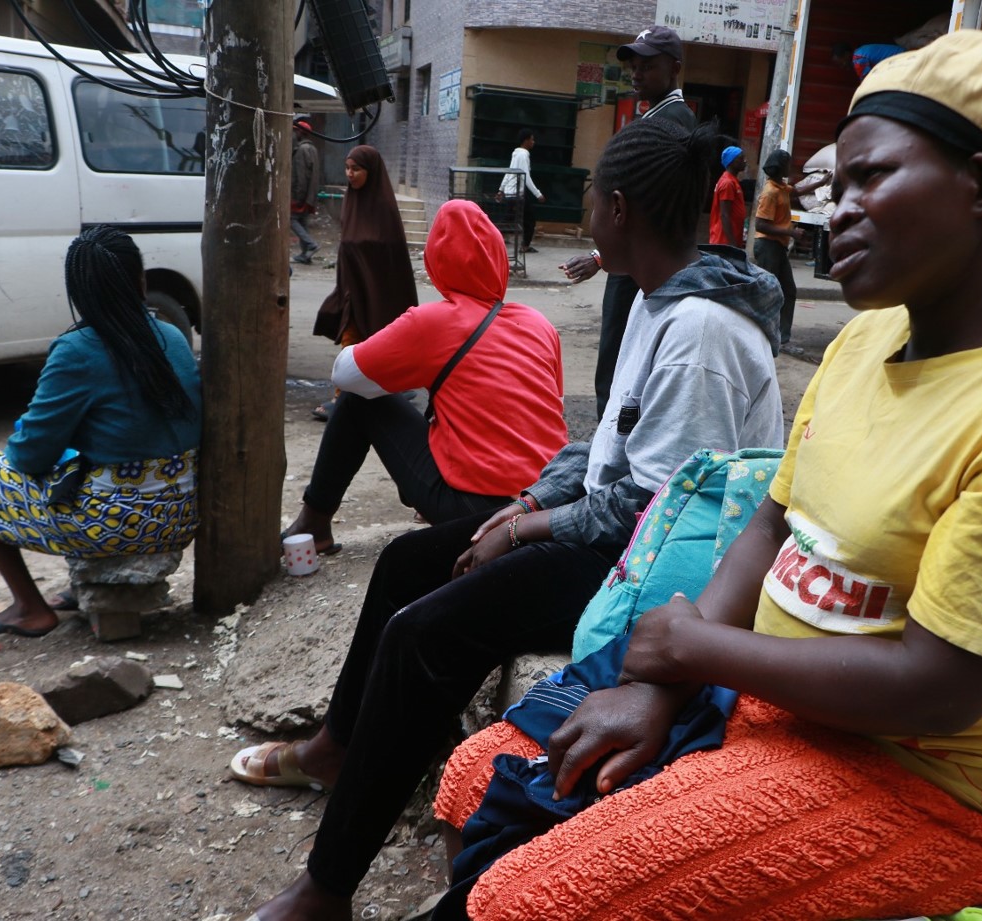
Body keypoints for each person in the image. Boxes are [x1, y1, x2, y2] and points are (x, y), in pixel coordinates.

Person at [433, 31, 982, 921]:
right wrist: (660, 686)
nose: (834, 211)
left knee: (524, 900)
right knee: (472, 781)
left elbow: (941, 688)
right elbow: (773, 521)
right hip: (770, 709)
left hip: (919, 780)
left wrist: (692, 650)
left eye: (870, 177)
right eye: (832, 186)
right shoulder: (864, 342)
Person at [231, 117, 784, 921]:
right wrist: (526, 504)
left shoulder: (700, 331)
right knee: (407, 562)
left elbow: (653, 510)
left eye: (592, 198)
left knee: (429, 632)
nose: (588, 213)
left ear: (618, 209)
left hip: (660, 573)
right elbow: (602, 443)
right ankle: (339, 745)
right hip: (618, 533)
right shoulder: (657, 300)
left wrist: (525, 532)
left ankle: (327, 887)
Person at [0, 226, 202, 639]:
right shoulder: (173, 336)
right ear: (142, 281)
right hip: (179, 514)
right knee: (82, 469)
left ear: (79, 293)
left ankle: (29, 608)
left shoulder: (78, 349)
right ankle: (78, 587)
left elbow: (30, 455)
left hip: (116, 522)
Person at [280, 199, 568, 552]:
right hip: (545, 506)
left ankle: (314, 522)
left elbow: (344, 373)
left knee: (359, 400)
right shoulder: (539, 324)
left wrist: (405, 362)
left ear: (435, 260)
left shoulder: (433, 321)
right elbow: (551, 407)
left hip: (478, 514)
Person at [557, 25, 698, 419]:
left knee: (620, 361)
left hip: (641, 264)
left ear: (674, 69)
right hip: (636, 259)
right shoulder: (659, 116)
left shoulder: (671, 123)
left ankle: (612, 447)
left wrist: (603, 257)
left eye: (647, 66)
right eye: (633, 66)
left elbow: (647, 207)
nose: (636, 74)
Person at [311, 145, 419, 420]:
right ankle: (343, 396)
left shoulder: (383, 207)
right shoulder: (351, 199)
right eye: (348, 168)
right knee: (350, 341)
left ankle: (356, 398)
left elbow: (389, 255)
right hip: (350, 289)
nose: (350, 174)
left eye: (356, 169)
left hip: (378, 292)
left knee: (371, 344)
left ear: (370, 172)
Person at [753, 148, 803, 349]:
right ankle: (761, 334)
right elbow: (760, 225)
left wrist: (822, 182)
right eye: (788, 164)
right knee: (770, 292)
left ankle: (782, 337)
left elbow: (797, 191)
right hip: (768, 246)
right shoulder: (770, 192)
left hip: (777, 247)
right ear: (780, 166)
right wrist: (791, 233)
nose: (790, 167)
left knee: (788, 290)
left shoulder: (781, 187)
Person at [498, 128, 545, 254]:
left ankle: (523, 245)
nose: (533, 142)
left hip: (511, 192)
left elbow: (509, 171)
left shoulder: (516, 154)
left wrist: (501, 189)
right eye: (532, 139)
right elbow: (526, 176)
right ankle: (523, 246)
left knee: (513, 219)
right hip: (517, 194)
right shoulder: (523, 155)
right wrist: (538, 193)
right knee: (527, 220)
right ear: (526, 140)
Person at [289, 116, 321, 265]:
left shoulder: (302, 150)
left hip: (301, 195)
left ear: (300, 133)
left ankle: (311, 244)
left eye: (295, 132)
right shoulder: (312, 148)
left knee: (291, 219)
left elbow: (301, 177)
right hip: (310, 194)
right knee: (303, 221)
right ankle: (305, 254)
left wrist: (297, 197)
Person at [709, 145, 748, 247]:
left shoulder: (732, 181)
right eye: (741, 158)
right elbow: (724, 215)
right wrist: (732, 244)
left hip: (728, 241)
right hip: (723, 242)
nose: (745, 161)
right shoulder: (728, 183)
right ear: (732, 162)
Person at [833, 40, 906, 81]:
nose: (843, 66)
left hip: (901, 59)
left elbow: (867, 81)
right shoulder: (860, 51)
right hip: (901, 55)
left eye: (841, 62)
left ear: (846, 54)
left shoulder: (858, 59)